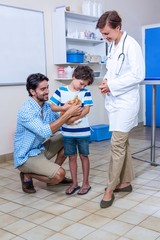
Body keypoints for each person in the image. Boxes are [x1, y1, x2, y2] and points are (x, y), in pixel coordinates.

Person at [96, 10, 145, 208]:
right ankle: (125, 183)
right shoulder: (112, 46)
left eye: (107, 33)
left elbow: (138, 75)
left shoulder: (131, 45)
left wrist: (113, 86)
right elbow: (111, 69)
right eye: (103, 34)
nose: (105, 37)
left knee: (116, 144)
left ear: (118, 28)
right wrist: (106, 81)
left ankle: (110, 188)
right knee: (123, 144)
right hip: (114, 101)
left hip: (126, 102)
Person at [14, 73, 82, 193]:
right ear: (32, 91)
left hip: (39, 149)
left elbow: (58, 119)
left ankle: (52, 174)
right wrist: (68, 113)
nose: (47, 91)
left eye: (47, 87)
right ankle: (27, 175)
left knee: (69, 137)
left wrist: (67, 110)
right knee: (59, 175)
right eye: (42, 89)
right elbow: (45, 131)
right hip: (26, 157)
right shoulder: (26, 111)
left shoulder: (46, 106)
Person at [50, 65, 94, 195]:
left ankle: (85, 183)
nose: (82, 87)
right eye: (81, 83)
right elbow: (53, 107)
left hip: (83, 131)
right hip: (68, 133)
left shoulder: (85, 92)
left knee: (84, 156)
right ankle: (74, 183)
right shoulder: (61, 91)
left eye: (85, 85)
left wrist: (71, 119)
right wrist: (65, 109)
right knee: (71, 157)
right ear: (74, 76)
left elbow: (86, 109)